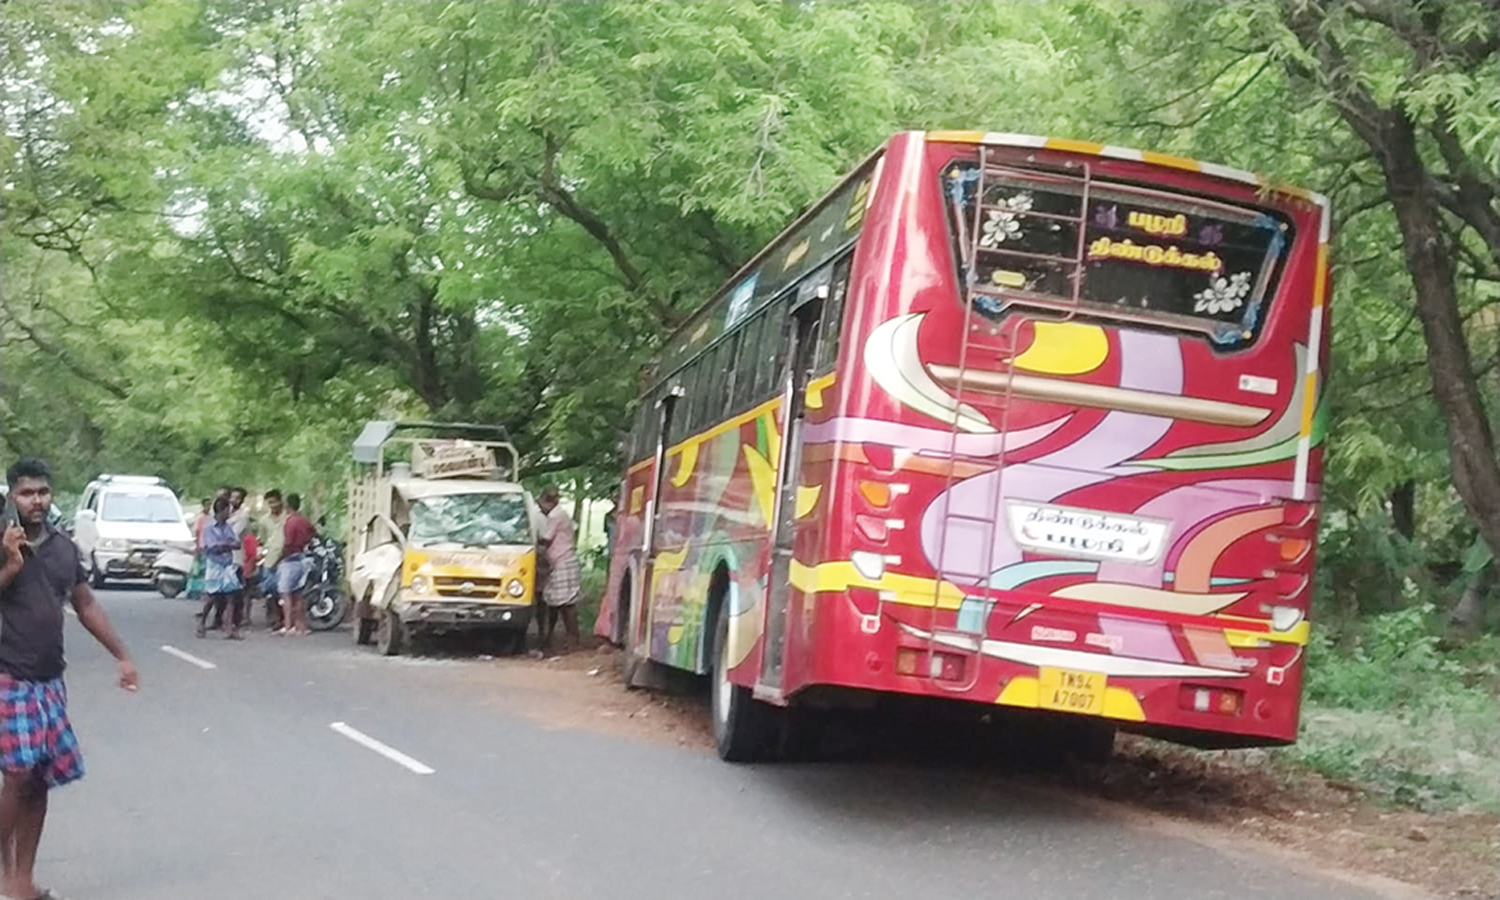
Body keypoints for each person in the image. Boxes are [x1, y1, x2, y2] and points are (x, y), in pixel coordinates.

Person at [0, 458, 138, 900]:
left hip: (48, 679)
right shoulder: (3, 543)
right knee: (18, 774)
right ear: (10, 496)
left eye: (42, 492)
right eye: (26, 493)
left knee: (39, 779)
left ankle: (21, 881)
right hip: (8, 676)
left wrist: (122, 656)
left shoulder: (62, 547)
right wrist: (10, 565)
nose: (36, 501)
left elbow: (85, 604)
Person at [537, 486, 582, 654]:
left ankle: (572, 639)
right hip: (561, 560)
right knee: (555, 601)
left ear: (547, 501)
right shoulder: (560, 514)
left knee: (566, 603)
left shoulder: (555, 516)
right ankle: (558, 637)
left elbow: (546, 539)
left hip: (562, 560)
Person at [196, 497, 244, 640]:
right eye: (226, 511)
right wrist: (226, 545)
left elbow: (236, 543)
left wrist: (224, 545)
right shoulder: (209, 527)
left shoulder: (227, 527)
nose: (228, 514)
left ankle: (229, 628)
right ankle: (202, 622)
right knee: (212, 597)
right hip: (215, 565)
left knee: (231, 596)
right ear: (220, 511)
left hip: (227, 564)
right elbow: (212, 547)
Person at [277, 494, 316, 636]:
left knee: (286, 593)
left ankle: (288, 625)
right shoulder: (304, 521)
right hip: (303, 558)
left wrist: (280, 558)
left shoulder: (290, 522)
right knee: (298, 594)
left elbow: (288, 543)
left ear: (287, 506)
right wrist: (306, 542)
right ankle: (300, 626)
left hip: (290, 559)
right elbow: (314, 532)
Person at [259, 490, 287, 631]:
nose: (273, 505)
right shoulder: (264, 520)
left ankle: (284, 619)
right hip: (270, 559)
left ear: (281, 501)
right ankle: (274, 618)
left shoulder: (288, 517)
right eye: (270, 503)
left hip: (286, 557)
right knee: (270, 590)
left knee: (284, 590)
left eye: (275, 501)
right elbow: (263, 540)